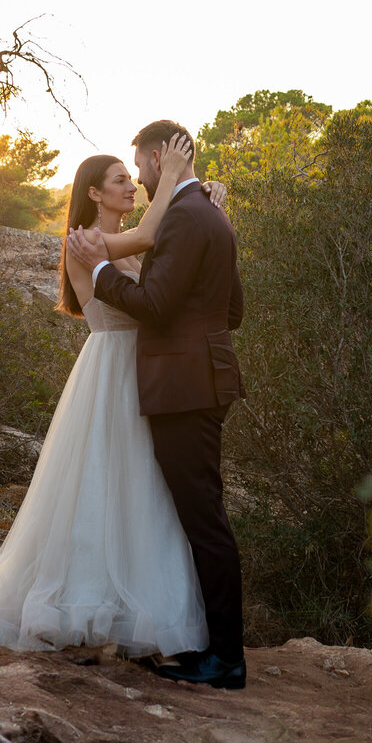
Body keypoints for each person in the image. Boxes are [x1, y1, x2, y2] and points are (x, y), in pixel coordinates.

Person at [0, 135, 228, 662]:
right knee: (99, 485)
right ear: (94, 193)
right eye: (119, 180)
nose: (132, 185)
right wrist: (184, 186)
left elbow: (170, 251)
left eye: (131, 175)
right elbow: (150, 233)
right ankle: (81, 604)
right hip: (112, 371)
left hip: (151, 373)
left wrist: (203, 199)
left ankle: (135, 609)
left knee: (143, 492)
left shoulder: (136, 242)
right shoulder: (83, 243)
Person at [66, 119, 246, 690]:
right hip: (194, 378)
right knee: (188, 515)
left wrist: (98, 271)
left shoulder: (185, 216)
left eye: (137, 167)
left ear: (156, 158)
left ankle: (224, 659)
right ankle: (202, 644)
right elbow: (232, 309)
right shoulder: (207, 213)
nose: (138, 179)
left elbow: (159, 303)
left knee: (203, 521)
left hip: (183, 386)